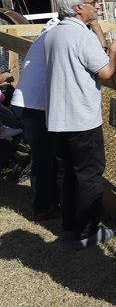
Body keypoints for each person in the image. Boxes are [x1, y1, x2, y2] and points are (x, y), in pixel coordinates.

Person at [43, 0, 116, 250]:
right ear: (79, 7)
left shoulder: (52, 33)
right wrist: (112, 53)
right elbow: (105, 73)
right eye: (94, 2)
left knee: (67, 173)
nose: (98, 6)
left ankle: (71, 228)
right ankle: (87, 232)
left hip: (57, 118)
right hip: (81, 119)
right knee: (89, 174)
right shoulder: (83, 36)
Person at [11, 17, 63, 221]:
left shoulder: (50, 30)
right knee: (43, 158)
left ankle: (48, 203)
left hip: (30, 103)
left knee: (45, 156)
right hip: (34, 105)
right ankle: (43, 208)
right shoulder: (57, 33)